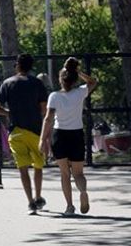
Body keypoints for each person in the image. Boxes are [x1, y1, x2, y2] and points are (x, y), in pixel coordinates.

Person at [39, 58, 98, 216]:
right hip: (76, 134)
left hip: (59, 135)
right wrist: (79, 72)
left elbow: (48, 119)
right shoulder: (80, 92)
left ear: (60, 80)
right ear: (74, 79)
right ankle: (83, 191)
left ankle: (70, 207)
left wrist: (43, 139)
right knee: (79, 173)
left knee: (65, 174)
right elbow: (93, 82)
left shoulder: (54, 96)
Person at [0, 54, 49, 214]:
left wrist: (8, 113)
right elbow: (44, 109)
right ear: (31, 67)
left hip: (16, 131)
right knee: (38, 166)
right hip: (35, 131)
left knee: (23, 168)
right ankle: (38, 196)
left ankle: (30, 202)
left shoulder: (7, 83)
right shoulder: (37, 83)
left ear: (17, 65)